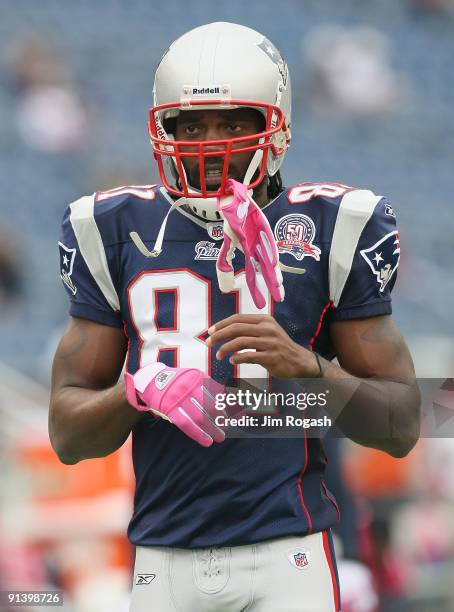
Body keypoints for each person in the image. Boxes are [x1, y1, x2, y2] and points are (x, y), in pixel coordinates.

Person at [49, 22, 420, 612]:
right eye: (190, 124)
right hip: (161, 559)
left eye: (232, 123)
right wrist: (137, 391)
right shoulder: (114, 229)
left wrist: (308, 368)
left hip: (289, 555)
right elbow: (67, 436)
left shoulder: (331, 224)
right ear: (163, 128)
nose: (209, 141)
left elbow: (402, 425)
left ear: (273, 127)